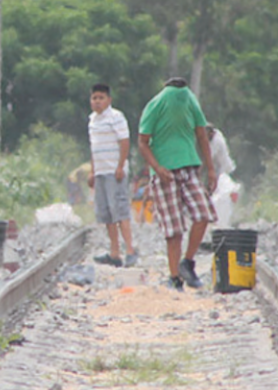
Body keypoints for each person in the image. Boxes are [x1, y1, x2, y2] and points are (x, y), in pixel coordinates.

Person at [138, 77, 217, 290]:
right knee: (174, 229)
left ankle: (187, 263)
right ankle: (174, 278)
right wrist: (158, 168)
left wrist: (210, 169)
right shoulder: (156, 105)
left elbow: (202, 135)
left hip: (189, 167)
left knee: (203, 214)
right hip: (164, 173)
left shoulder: (190, 100)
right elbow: (143, 142)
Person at [87, 83, 138, 268]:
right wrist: (92, 171)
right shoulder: (92, 120)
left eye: (101, 98)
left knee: (120, 211)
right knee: (107, 214)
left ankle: (130, 250)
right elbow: (94, 148)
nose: (98, 101)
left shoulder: (116, 117)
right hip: (100, 172)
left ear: (109, 100)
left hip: (114, 172)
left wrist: (120, 166)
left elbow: (124, 142)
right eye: (94, 98)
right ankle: (114, 253)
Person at [206, 124, 241, 229]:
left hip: (224, 171)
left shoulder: (217, 142)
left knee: (223, 195)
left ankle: (221, 220)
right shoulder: (216, 134)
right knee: (218, 196)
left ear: (211, 133)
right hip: (219, 170)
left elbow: (207, 158)